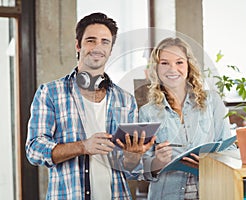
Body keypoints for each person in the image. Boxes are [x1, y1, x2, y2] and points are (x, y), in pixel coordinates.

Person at [25, 12, 155, 200]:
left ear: (111, 50)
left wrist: (133, 156)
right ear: (78, 45)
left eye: (105, 42)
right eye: (91, 41)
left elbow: (131, 170)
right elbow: (34, 149)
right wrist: (83, 146)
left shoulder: (125, 100)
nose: (97, 48)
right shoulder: (51, 93)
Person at [139, 37, 234, 200]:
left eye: (179, 62)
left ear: (189, 66)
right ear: (156, 68)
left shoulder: (211, 101)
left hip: (210, 191)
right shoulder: (147, 112)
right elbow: (143, 169)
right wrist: (158, 162)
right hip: (167, 194)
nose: (172, 69)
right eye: (164, 63)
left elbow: (229, 148)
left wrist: (208, 163)